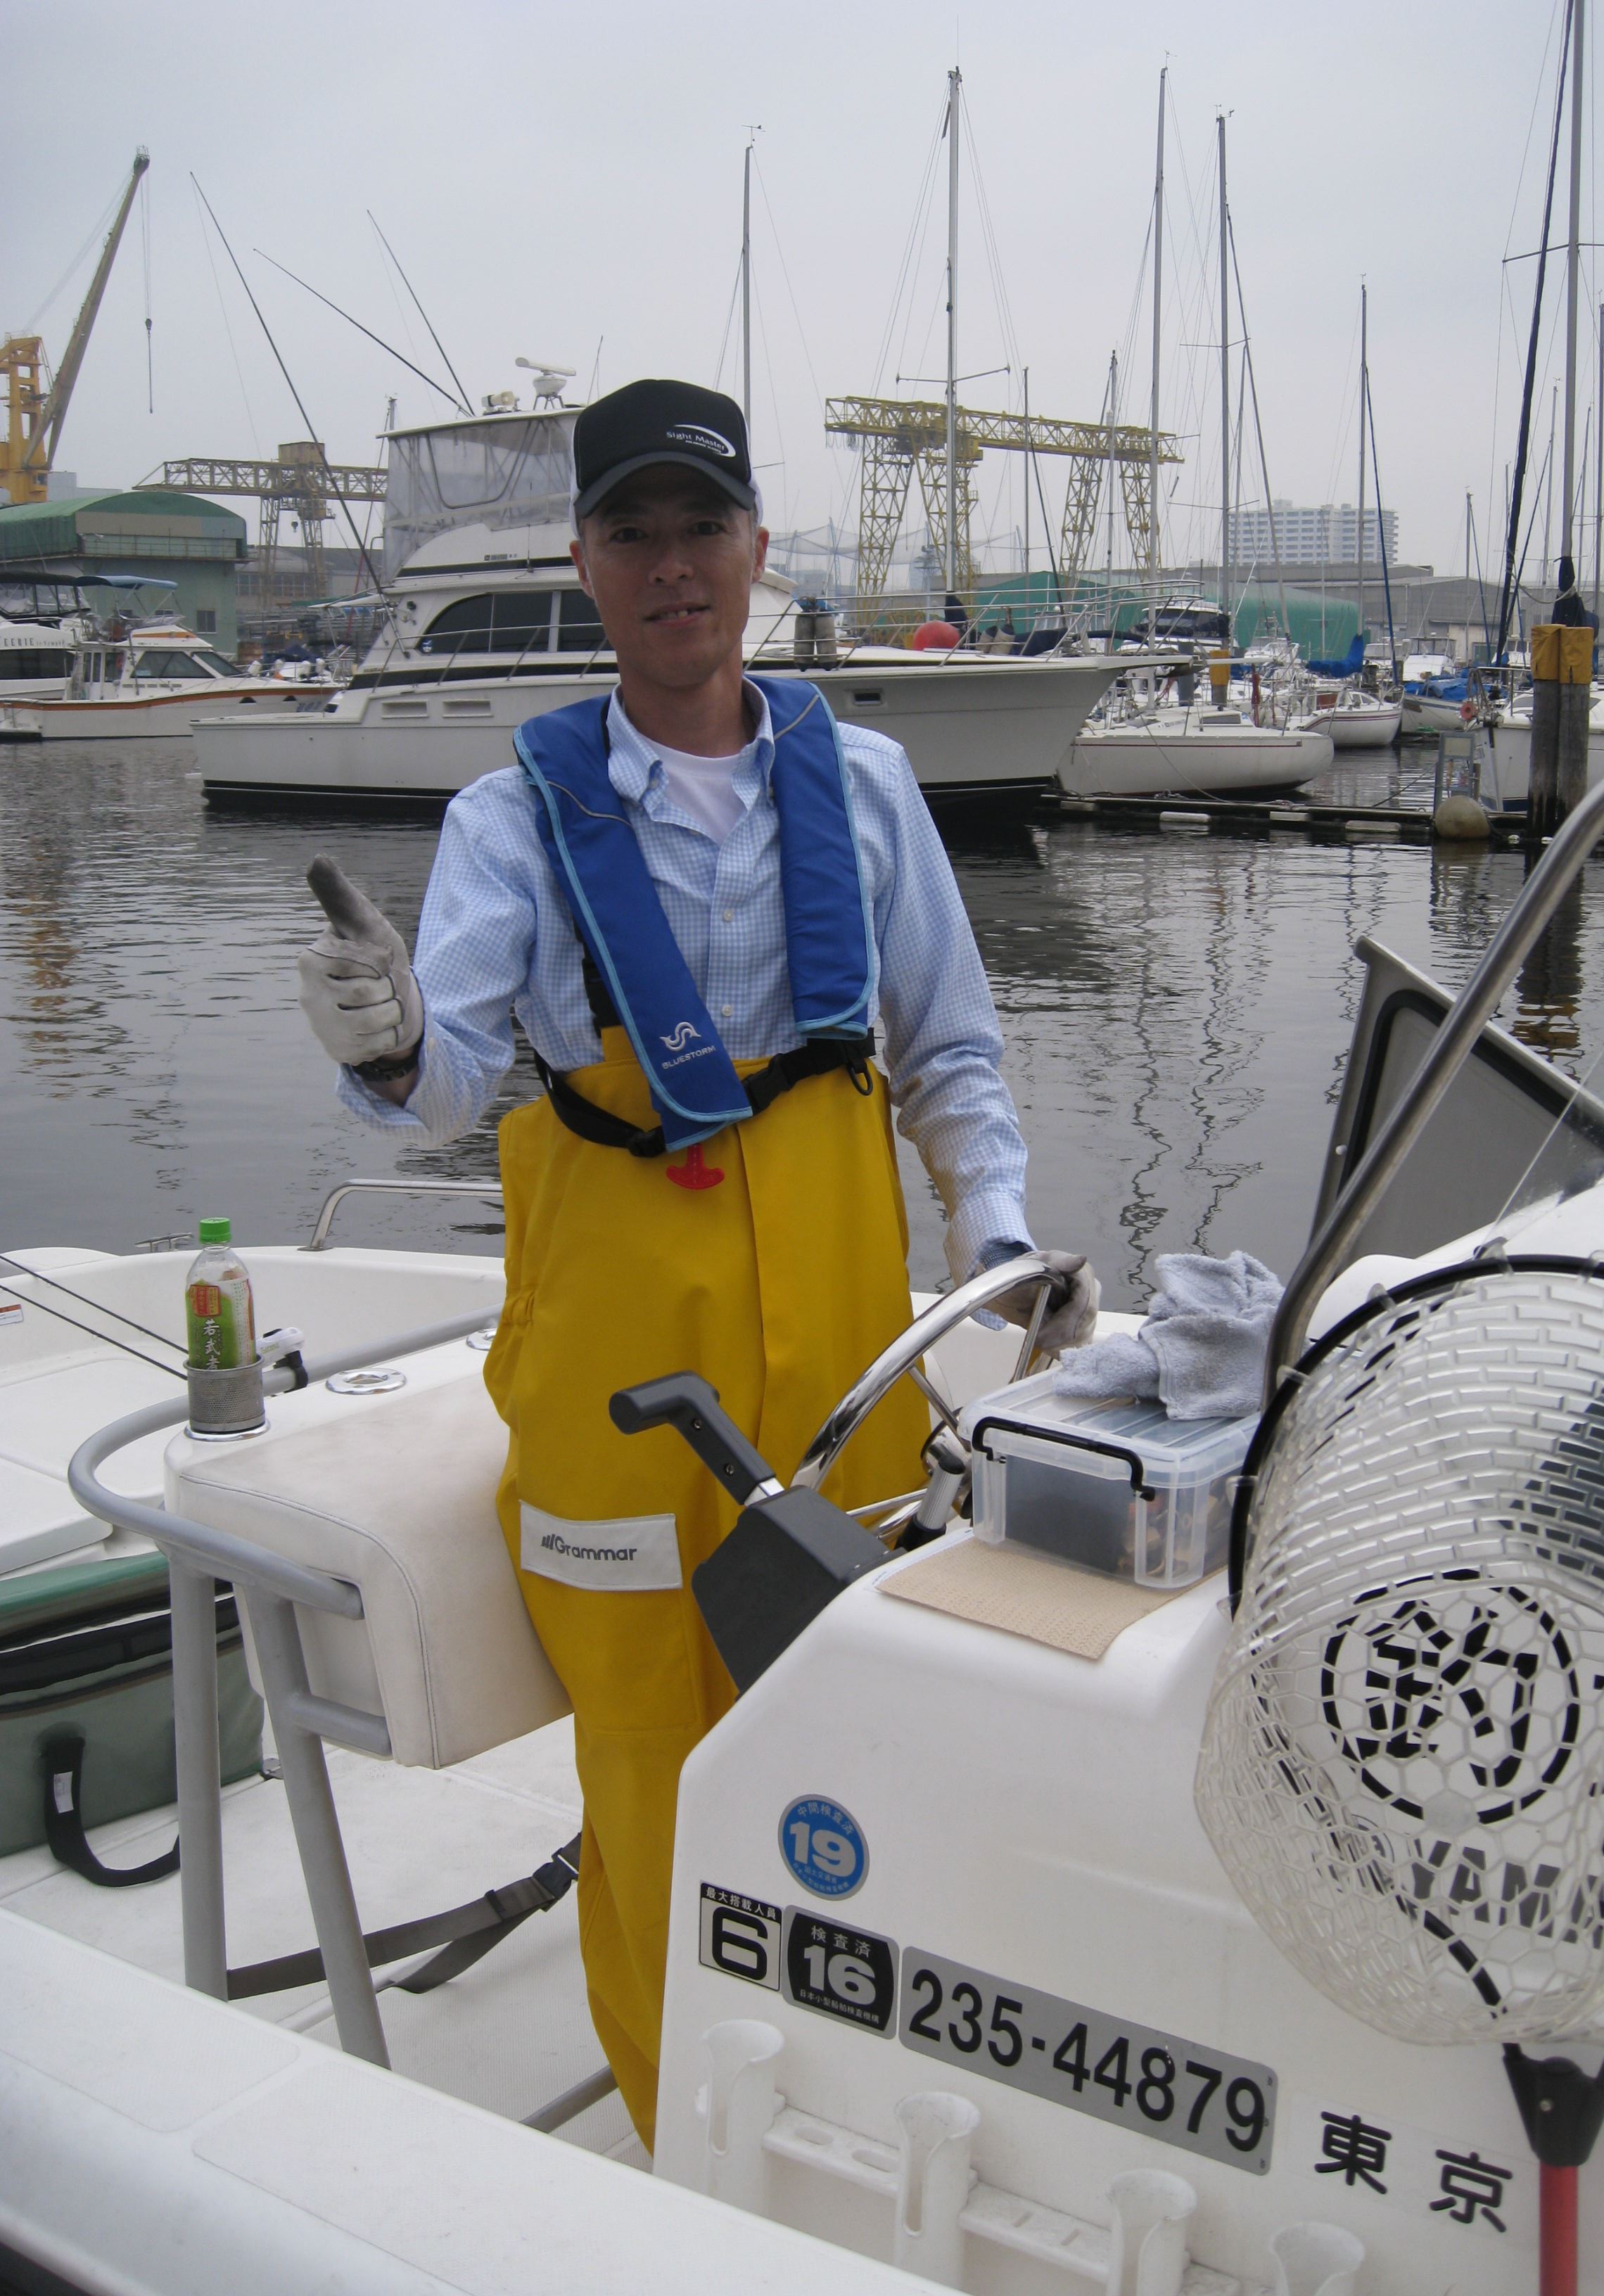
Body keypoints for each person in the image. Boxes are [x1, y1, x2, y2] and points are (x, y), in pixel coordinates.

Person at [296, 378, 1097, 2147]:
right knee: (651, 1761)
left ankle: (861, 2116)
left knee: (857, 1729)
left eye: (702, 529)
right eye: (634, 533)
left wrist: (1004, 1250)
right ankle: (687, 2157)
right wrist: (384, 1036)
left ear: (757, 550)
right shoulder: (512, 820)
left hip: (849, 1370)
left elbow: (952, 1056)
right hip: (617, 1385)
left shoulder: (867, 787)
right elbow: (448, 1081)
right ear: (586, 566)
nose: (673, 566)